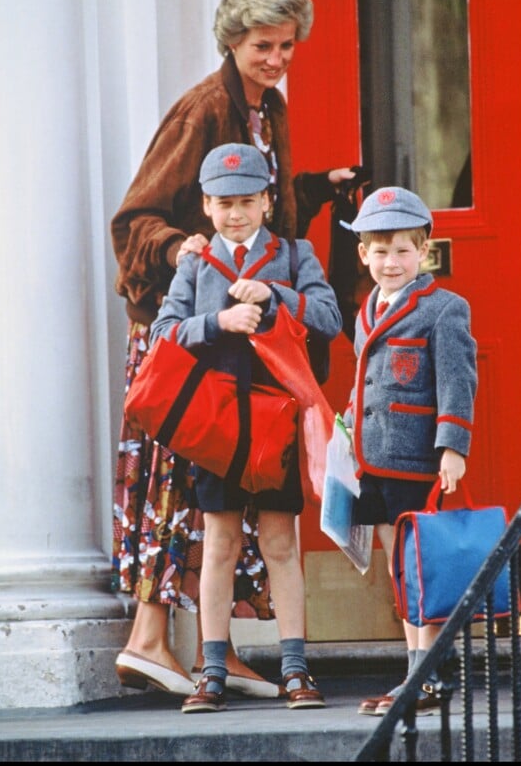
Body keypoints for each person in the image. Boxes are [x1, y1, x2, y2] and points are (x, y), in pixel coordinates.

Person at [110, 0, 360, 698]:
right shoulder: (202, 110)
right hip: (190, 338)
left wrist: (316, 187)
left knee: (230, 503)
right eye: (262, 45)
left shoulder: (268, 108)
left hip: (248, 342)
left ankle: (217, 652)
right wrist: (177, 250)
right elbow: (138, 220)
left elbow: (266, 212)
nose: (277, 58)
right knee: (181, 486)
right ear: (231, 39)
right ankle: (151, 639)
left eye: (286, 45)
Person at [148, 142, 341, 713]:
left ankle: (296, 670)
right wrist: (218, 321)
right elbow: (164, 332)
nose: (236, 214)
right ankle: (212, 670)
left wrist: (276, 296)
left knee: (282, 543)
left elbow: (329, 317)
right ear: (206, 206)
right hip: (217, 428)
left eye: (247, 202)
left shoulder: (294, 254)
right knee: (220, 546)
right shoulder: (196, 263)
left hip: (276, 421)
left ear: (265, 203)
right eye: (224, 203)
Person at [340, 186, 477, 717]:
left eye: (402, 250)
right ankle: (414, 669)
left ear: (423, 251)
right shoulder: (366, 310)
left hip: (417, 459)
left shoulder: (444, 309)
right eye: (380, 251)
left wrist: (453, 447)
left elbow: (458, 381)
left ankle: (433, 671)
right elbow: (364, 385)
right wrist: (345, 436)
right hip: (373, 459)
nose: (391, 262)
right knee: (399, 572)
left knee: (424, 565)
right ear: (363, 255)